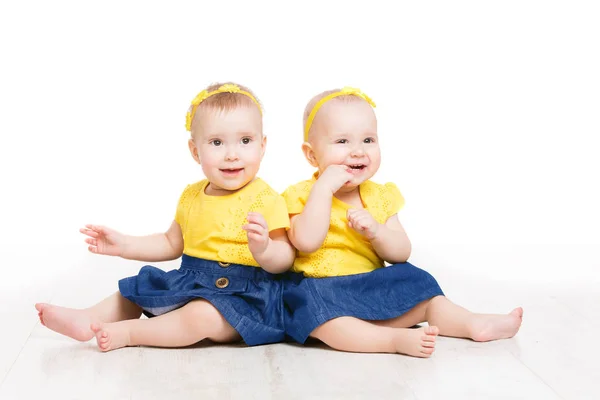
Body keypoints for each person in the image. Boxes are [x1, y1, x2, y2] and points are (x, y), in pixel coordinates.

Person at [36, 82, 295, 351]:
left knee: (200, 316)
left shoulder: (267, 199)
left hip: (247, 297)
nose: (232, 154)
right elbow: (172, 243)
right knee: (141, 288)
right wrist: (124, 244)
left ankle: (130, 332)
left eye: (245, 141)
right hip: (194, 280)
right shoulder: (192, 196)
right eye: (217, 142)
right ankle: (89, 319)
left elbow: (285, 260)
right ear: (195, 151)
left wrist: (265, 249)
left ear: (262, 146)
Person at [282, 87, 523, 358]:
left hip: (371, 286)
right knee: (318, 317)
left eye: (368, 140)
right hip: (323, 290)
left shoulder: (381, 196)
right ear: (312, 155)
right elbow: (306, 241)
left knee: (420, 286)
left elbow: (400, 252)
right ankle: (391, 340)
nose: (358, 151)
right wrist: (323, 190)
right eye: (342, 142)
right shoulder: (300, 195)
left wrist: (377, 231)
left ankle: (471, 322)